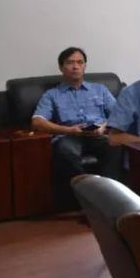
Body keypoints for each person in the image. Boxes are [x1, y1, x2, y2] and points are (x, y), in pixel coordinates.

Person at [31, 47, 122, 182]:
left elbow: (119, 114)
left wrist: (103, 127)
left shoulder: (100, 89)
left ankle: (108, 190)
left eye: (80, 62)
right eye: (70, 62)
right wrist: (69, 130)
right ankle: (85, 189)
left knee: (115, 145)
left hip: (98, 135)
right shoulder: (52, 95)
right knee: (65, 150)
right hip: (69, 137)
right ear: (61, 67)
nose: (75, 67)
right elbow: (37, 121)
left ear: (85, 66)